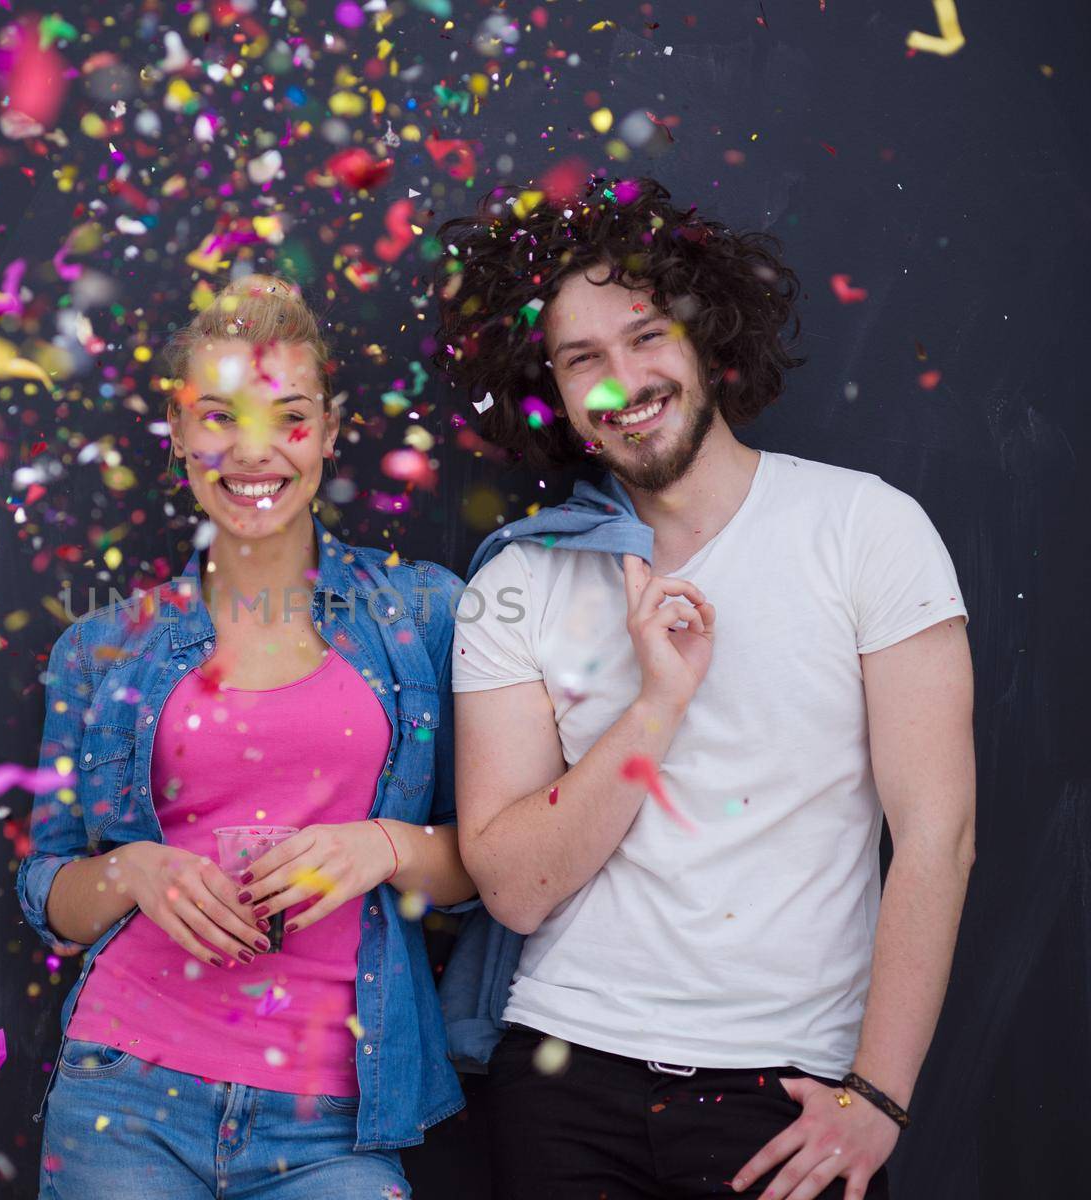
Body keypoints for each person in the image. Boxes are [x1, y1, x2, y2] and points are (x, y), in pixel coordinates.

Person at [433, 177, 975, 1200]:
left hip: (789, 1096)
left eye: (645, 337)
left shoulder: (866, 531)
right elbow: (510, 883)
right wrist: (654, 707)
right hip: (560, 1079)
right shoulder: (518, 580)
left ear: (704, 336)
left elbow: (938, 834)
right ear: (546, 386)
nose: (622, 379)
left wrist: (879, 1099)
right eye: (580, 357)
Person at [18, 274, 475, 1198]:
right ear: (181, 434)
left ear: (332, 433)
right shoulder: (104, 647)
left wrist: (381, 846)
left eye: (289, 416)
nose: (252, 449)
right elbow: (48, 890)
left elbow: (494, 860)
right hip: (124, 1098)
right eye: (218, 416)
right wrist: (133, 871)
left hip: (335, 1120)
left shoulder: (423, 614)